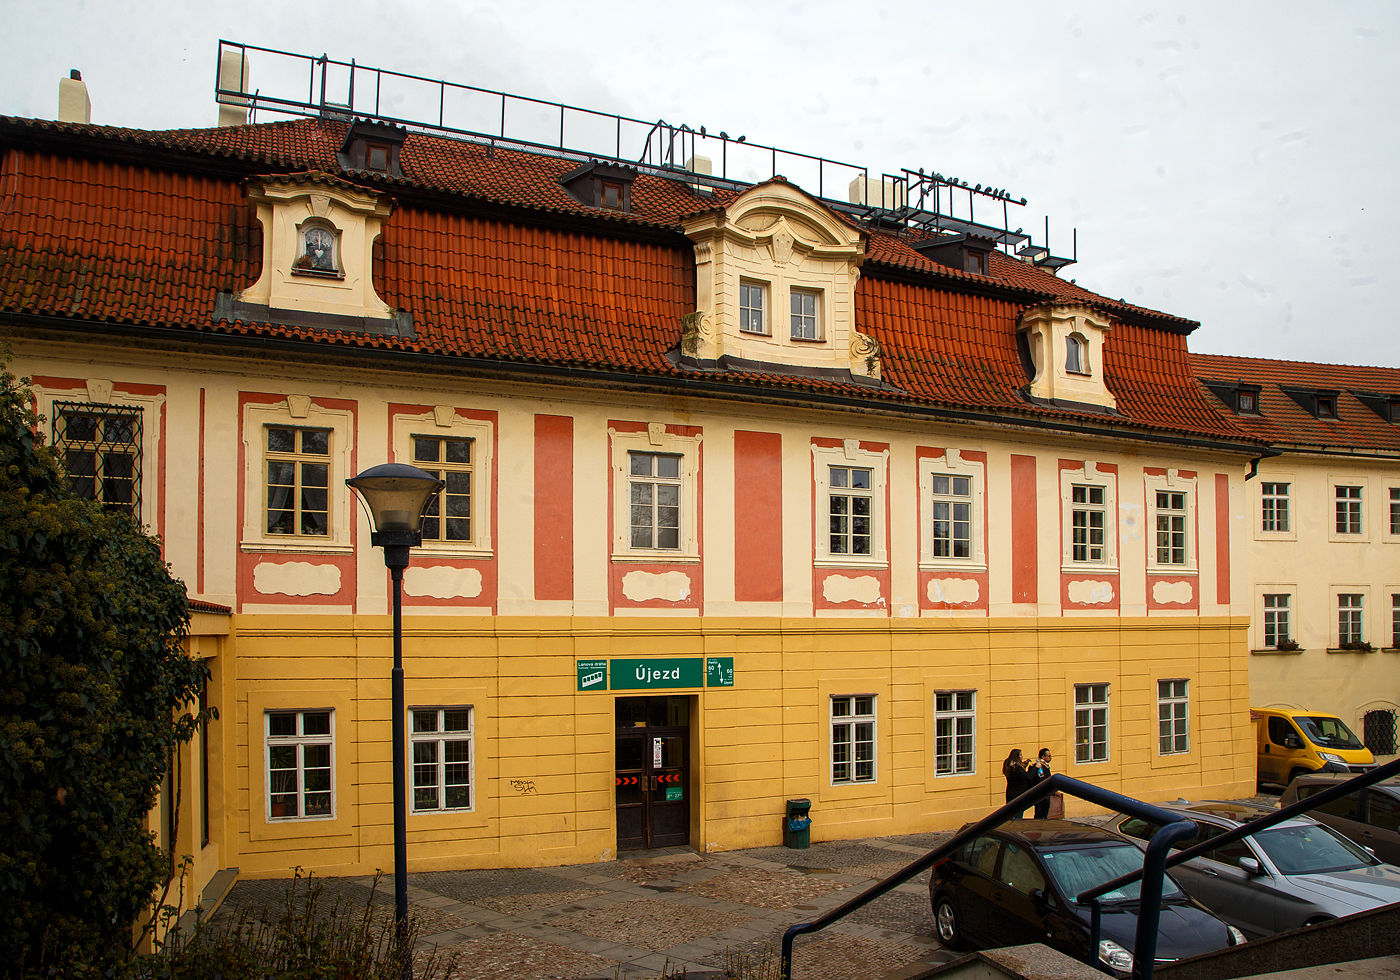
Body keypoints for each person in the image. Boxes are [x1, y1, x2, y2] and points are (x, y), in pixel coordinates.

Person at [1002, 748, 1029, 817]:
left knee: (1010, 812)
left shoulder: (1008, 764)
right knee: (1018, 813)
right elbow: (1025, 776)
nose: (1022, 757)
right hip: (1019, 793)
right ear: (1016, 757)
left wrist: (1024, 765)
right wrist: (1035, 768)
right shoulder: (1017, 767)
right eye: (1020, 755)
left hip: (1010, 792)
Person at [1029, 748, 1053, 819]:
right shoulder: (1040, 767)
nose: (1050, 758)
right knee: (1041, 814)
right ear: (1043, 757)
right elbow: (1042, 780)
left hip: (1044, 794)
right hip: (1042, 795)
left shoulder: (1045, 766)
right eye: (1049, 756)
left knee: (1043, 813)